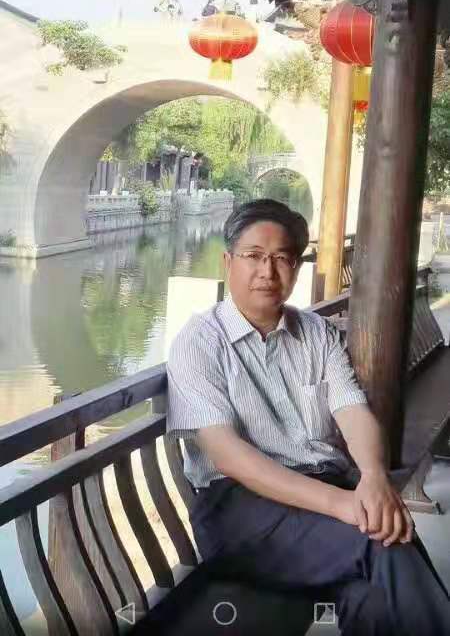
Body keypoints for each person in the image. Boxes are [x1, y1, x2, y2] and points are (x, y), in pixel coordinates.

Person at [167, 198, 450, 635]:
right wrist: (346, 505)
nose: (267, 271)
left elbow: (352, 409)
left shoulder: (315, 333)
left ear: (297, 268)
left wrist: (374, 477)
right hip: (241, 510)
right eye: (254, 256)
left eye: (282, 258)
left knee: (372, 589)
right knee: (386, 540)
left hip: (321, 490)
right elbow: (228, 456)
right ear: (228, 262)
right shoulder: (200, 342)